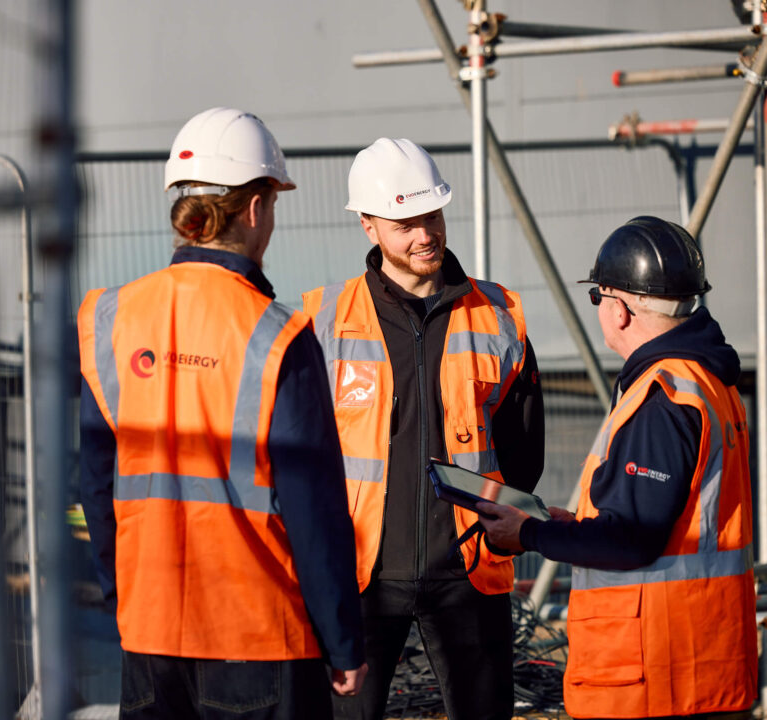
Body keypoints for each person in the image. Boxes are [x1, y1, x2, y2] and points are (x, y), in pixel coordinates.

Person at [77, 107, 367, 720]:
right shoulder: (276, 332)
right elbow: (315, 511)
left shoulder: (110, 320)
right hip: (257, 635)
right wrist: (342, 641)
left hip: (149, 631)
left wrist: (123, 601)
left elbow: (98, 489)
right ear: (257, 208)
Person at [301, 137, 545, 720]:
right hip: (360, 577)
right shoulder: (321, 321)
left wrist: (490, 526)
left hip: (468, 572)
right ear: (368, 225)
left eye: (432, 215)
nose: (425, 234)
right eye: (405, 222)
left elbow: (523, 448)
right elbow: (299, 454)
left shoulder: (498, 315)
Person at [480, 216, 756, 720]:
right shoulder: (709, 385)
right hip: (698, 664)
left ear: (622, 309)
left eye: (599, 298)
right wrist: (573, 527)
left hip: (653, 675)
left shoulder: (663, 397)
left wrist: (530, 536)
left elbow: (631, 539)